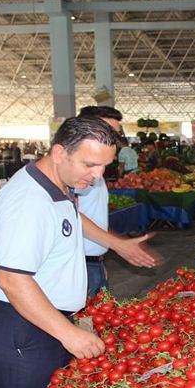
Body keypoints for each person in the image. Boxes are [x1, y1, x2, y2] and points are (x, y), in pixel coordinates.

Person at [0, 116, 159, 388]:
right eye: (90, 165)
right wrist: (68, 333)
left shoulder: (56, 184)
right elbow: (12, 281)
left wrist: (117, 244)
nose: (98, 175)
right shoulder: (29, 204)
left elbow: (71, 216)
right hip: (21, 326)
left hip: (43, 320)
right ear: (59, 153)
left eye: (105, 166)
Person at [76, 105, 125, 299]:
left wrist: (99, 260)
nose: (115, 140)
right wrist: (118, 244)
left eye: (116, 134)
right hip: (79, 264)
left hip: (91, 262)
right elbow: (70, 214)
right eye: (109, 133)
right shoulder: (77, 171)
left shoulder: (95, 168)